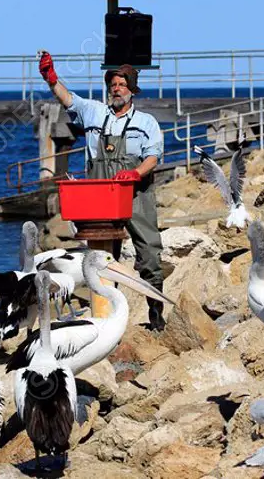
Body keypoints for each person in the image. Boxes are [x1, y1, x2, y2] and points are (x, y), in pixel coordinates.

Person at [37, 51, 168, 331]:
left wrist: (135, 173)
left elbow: (153, 157)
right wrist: (51, 78)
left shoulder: (147, 123)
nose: (116, 89)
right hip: (100, 197)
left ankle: (156, 315)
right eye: (113, 84)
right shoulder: (93, 112)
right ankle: (107, 317)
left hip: (135, 195)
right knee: (102, 258)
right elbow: (67, 98)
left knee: (150, 254)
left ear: (132, 90)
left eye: (122, 84)